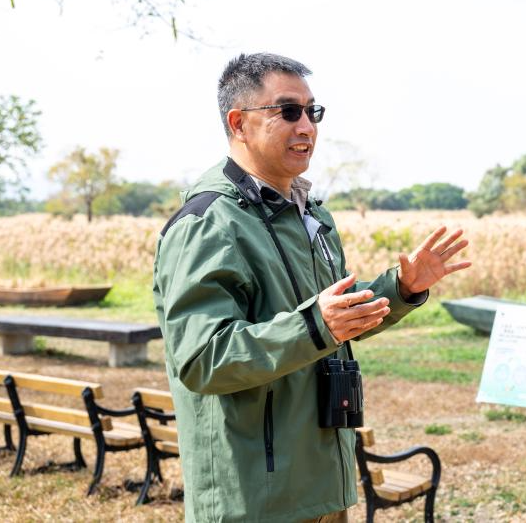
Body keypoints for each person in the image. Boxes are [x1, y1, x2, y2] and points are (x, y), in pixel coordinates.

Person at [153, 52, 471, 522]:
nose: (306, 126)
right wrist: (316, 325)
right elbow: (203, 360)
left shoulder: (310, 214)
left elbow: (333, 317)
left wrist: (401, 288)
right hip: (257, 499)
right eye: (287, 111)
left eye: (312, 111)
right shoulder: (208, 224)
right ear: (239, 123)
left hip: (324, 483)